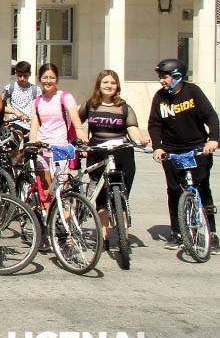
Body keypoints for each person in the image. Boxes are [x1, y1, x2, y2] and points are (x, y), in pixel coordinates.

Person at [147, 58, 219, 252]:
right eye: (160, 77)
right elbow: (154, 124)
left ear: (177, 76)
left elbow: (211, 116)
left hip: (197, 148)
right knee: (174, 190)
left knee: (202, 188)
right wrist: (158, 147)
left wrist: (213, 139)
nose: (161, 80)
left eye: (165, 77)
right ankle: (177, 232)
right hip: (171, 151)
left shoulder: (193, 92)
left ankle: (211, 233)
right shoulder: (159, 97)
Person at [79, 69, 148, 244]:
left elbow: (132, 128)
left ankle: (123, 237)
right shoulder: (90, 105)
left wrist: (139, 139)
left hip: (122, 153)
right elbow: (76, 123)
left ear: (117, 86)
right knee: (101, 196)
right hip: (97, 153)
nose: (109, 86)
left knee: (122, 195)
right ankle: (104, 234)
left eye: (112, 83)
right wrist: (81, 140)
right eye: (105, 82)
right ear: (99, 85)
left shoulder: (124, 107)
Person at [29, 63, 85, 191]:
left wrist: (81, 134)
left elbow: (75, 118)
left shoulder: (65, 97)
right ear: (39, 79)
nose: (48, 81)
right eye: (45, 77)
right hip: (42, 148)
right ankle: (47, 211)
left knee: (62, 189)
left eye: (51, 78)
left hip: (60, 148)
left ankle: (62, 211)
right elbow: (34, 126)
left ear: (57, 79)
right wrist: (32, 142)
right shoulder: (37, 101)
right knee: (46, 188)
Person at [3, 61, 41, 130]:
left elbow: (40, 109)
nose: (22, 78)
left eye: (25, 76)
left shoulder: (36, 90)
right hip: (14, 123)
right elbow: (1, 106)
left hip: (31, 126)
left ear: (29, 74)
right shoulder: (10, 88)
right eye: (19, 76)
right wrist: (10, 114)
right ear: (16, 74)